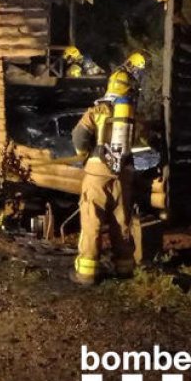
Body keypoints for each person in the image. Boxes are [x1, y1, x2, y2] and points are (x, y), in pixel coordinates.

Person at [69, 50, 149, 285]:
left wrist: (84, 155)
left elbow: (79, 136)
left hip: (97, 173)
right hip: (123, 174)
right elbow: (144, 141)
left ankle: (86, 272)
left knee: (92, 220)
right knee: (121, 222)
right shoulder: (134, 117)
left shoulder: (98, 111)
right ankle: (124, 268)